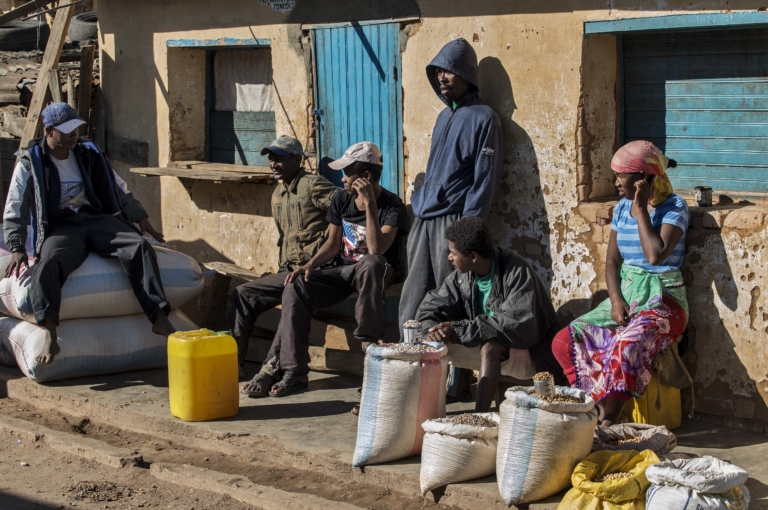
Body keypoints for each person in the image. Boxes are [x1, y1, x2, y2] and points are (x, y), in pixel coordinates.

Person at [3, 102, 174, 364]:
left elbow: (117, 187)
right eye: (67, 130)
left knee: (138, 246)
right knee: (48, 263)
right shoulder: (31, 161)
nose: (74, 134)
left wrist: (140, 217)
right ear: (49, 131)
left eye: (76, 128)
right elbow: (15, 204)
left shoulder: (88, 153)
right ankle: (49, 331)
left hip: (95, 219)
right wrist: (16, 247)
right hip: (61, 227)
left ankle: (159, 316)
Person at [242, 141, 408, 398]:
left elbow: (377, 250)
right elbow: (331, 244)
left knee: (371, 262)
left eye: (347, 173)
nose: (342, 179)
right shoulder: (342, 198)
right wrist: (309, 265)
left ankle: (369, 343)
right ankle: (294, 372)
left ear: (365, 177)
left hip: (375, 273)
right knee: (296, 285)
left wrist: (370, 206)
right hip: (342, 271)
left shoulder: (391, 205)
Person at [551, 140, 689, 426]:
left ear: (643, 179)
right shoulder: (622, 208)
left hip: (665, 301)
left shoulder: (675, 207)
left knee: (627, 344)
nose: (615, 182)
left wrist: (641, 210)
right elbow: (612, 261)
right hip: (627, 294)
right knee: (564, 340)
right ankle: (598, 405)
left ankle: (608, 420)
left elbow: (655, 255)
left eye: (620, 176)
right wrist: (615, 300)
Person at [398, 38, 503, 401]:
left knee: (453, 301)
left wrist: (466, 233)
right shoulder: (444, 116)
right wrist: (418, 202)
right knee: (414, 300)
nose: (443, 78)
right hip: (424, 221)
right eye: (439, 72)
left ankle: (455, 383)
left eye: (451, 72)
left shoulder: (485, 118)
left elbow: (484, 180)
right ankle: (407, 375)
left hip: (453, 224)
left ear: (468, 76)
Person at [417, 217, 563, 412]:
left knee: (490, 346)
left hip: (531, 354)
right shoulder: (462, 276)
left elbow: (514, 325)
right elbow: (432, 305)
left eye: (453, 253)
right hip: (496, 352)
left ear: (473, 256)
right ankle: (427, 411)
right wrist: (432, 332)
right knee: (435, 345)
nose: (449, 258)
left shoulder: (516, 270)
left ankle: (480, 416)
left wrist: (457, 330)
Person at [228, 135, 339, 384]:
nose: (273, 163)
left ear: (297, 160)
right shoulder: (278, 194)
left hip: (314, 273)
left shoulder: (313, 185)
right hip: (287, 271)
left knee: (291, 296)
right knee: (243, 294)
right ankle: (233, 364)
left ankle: (270, 371)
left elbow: (344, 206)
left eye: (279, 158)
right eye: (271, 158)